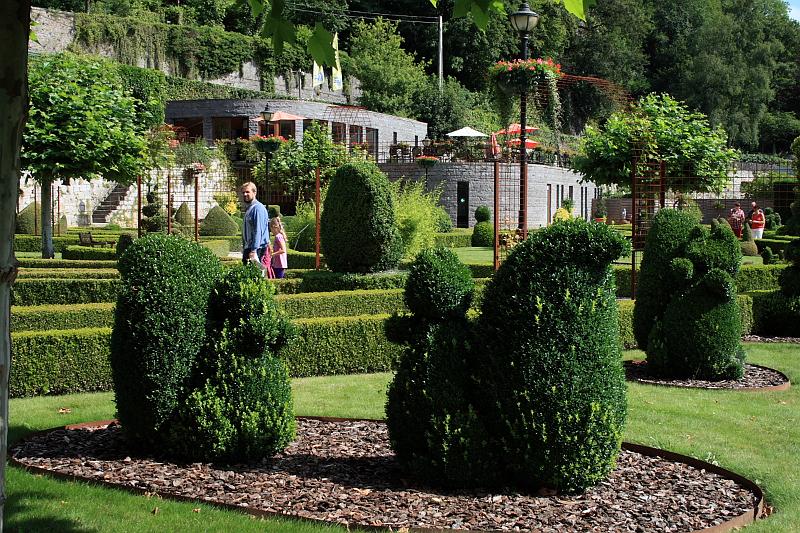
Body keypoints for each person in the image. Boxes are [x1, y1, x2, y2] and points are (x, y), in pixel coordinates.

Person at [240, 182, 270, 265]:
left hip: (256, 248)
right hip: (249, 247)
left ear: (254, 192)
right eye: (243, 192)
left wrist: (254, 250)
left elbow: (258, 230)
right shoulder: (250, 208)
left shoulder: (257, 208)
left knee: (254, 275)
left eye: (247, 192)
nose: (245, 194)